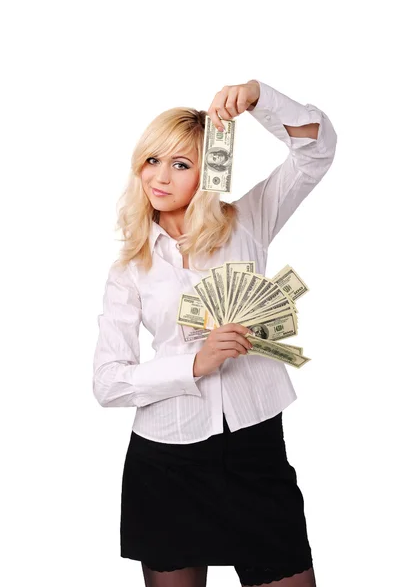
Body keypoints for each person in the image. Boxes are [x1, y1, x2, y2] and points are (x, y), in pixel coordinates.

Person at [92, 78, 337, 587]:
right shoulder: (129, 269)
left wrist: (260, 97)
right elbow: (108, 382)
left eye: (181, 164)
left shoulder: (247, 220)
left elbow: (316, 151)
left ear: (210, 171)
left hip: (255, 450)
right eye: (152, 161)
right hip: (165, 464)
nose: (159, 177)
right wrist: (193, 365)